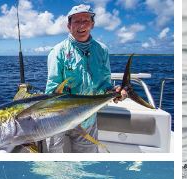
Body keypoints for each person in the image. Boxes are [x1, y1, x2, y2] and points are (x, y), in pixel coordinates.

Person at [44, 4, 126, 153]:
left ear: (92, 24)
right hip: (57, 120)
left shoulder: (102, 50)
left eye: (86, 21)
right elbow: (52, 89)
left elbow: (104, 84)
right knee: (53, 160)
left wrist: (114, 91)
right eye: (76, 21)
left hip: (87, 117)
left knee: (86, 162)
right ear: (69, 26)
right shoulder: (58, 51)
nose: (81, 25)